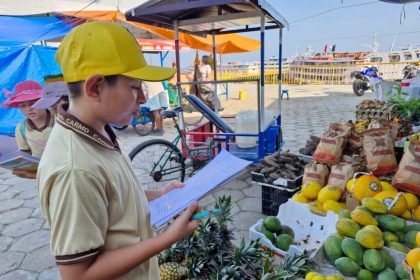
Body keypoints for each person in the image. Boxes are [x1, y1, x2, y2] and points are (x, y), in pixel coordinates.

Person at [37, 22, 199, 280]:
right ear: (95, 88)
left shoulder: (99, 129)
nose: (143, 98)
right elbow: (77, 275)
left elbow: (114, 196)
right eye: (134, 87)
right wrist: (167, 239)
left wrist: (160, 194)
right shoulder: (75, 169)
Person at [2, 80, 55, 179]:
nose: (29, 108)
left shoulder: (59, 119)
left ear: (44, 101)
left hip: (66, 167)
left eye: (33, 103)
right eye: (23, 105)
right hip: (42, 172)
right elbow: (25, 154)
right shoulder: (21, 128)